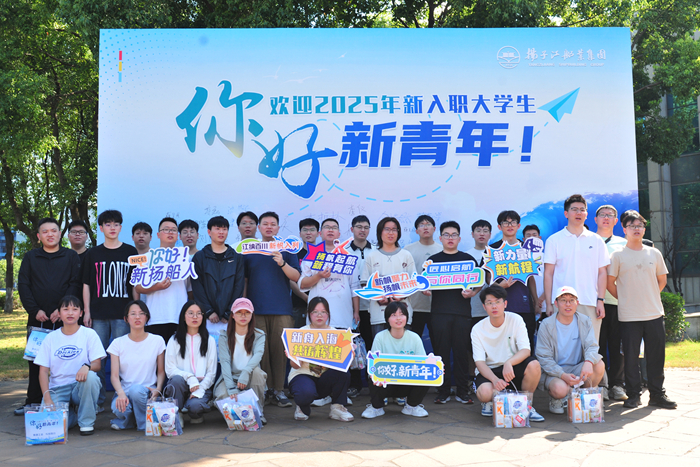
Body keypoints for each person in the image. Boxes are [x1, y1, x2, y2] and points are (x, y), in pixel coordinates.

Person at [608, 211, 676, 409]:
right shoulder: (617, 255)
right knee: (630, 358)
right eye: (632, 226)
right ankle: (633, 395)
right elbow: (610, 283)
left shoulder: (654, 253)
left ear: (644, 229)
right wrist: (625, 298)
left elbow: (661, 280)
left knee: (656, 356)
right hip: (629, 316)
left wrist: (649, 295)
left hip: (654, 313)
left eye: (639, 225)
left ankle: (657, 395)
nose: (636, 229)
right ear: (624, 229)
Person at [16, 217, 81, 415]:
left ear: (60, 234)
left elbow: (75, 283)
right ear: (39, 236)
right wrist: (34, 310)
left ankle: (71, 400)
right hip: (38, 319)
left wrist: (62, 310)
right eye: (45, 232)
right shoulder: (30, 257)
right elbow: (24, 285)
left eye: (54, 230)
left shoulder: (71, 256)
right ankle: (33, 401)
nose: (50, 234)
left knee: (68, 358)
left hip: (65, 318)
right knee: (36, 361)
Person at [82, 209, 139, 410]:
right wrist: (87, 311)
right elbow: (86, 284)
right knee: (97, 357)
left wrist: (136, 310)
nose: (112, 228)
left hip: (122, 314)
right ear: (101, 228)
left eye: (116, 224)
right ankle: (97, 400)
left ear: (121, 227)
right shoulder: (92, 253)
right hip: (98, 314)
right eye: (108, 224)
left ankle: (121, 398)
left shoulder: (130, 252)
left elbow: (135, 283)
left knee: (122, 358)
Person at [245, 211, 301, 407]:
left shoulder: (287, 249)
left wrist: (282, 263)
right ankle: (264, 390)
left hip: (282, 309)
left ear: (278, 228)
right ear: (259, 227)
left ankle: (279, 390)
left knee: (280, 351)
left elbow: (296, 277)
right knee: (260, 352)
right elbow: (244, 281)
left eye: (273, 224)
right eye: (265, 224)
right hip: (256, 309)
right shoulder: (250, 250)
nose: (269, 227)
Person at [471, 284, 544, 422]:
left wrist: (509, 363)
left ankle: (525, 405)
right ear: (484, 306)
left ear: (505, 304)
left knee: (534, 365)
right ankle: (490, 402)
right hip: (491, 371)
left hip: (512, 368)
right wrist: (495, 380)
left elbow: (526, 350)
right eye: (489, 303)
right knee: (485, 393)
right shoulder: (477, 329)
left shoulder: (516, 319)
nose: (494, 306)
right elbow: (479, 362)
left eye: (498, 302)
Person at [34, 295, 106, 435]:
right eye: (66, 309)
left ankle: (86, 423)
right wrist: (47, 398)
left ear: (81, 313)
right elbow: (43, 371)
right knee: (50, 427)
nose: (70, 313)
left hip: (80, 387)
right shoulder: (50, 338)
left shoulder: (89, 334)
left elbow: (97, 364)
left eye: (75, 309)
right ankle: (72, 416)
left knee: (91, 377)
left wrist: (87, 367)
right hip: (58, 388)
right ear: (59, 314)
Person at [425, 221, 479, 405]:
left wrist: (473, 293)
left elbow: (479, 281)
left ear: (459, 238)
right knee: (441, 353)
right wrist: (425, 290)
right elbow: (425, 284)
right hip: (439, 313)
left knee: (461, 353)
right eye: (446, 235)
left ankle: (463, 391)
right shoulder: (432, 261)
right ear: (440, 238)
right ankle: (443, 391)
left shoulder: (468, 259)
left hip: (462, 313)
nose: (450, 238)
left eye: (454, 235)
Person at [544, 194, 610, 342]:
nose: (578, 213)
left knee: (589, 347)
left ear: (586, 214)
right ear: (566, 213)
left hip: (589, 302)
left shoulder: (596, 240)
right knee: (563, 347)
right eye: (574, 209)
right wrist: (549, 304)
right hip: (562, 303)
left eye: (582, 209)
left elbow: (602, 273)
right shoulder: (554, 240)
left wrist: (600, 300)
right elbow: (548, 274)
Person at [535, 286, 605, 414]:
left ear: (577, 303)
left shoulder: (585, 321)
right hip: (554, 372)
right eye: (563, 300)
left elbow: (592, 346)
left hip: (577, 368)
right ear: (556, 303)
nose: (568, 304)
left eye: (572, 300)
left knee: (599, 365)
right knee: (560, 389)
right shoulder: (546, 325)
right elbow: (543, 357)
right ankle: (557, 398)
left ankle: (583, 396)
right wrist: (562, 375)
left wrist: (588, 362)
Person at [287, 297, 354, 422]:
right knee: (304, 393)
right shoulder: (302, 332)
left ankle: (337, 407)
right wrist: (293, 356)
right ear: (309, 313)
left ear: (328, 314)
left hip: (325, 377)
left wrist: (349, 355)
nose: (319, 315)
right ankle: (302, 406)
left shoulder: (335, 333)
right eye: (315, 312)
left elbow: (343, 364)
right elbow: (295, 366)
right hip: (303, 374)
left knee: (343, 373)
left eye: (323, 312)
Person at [361, 301, 429, 419]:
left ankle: (412, 406)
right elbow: (373, 364)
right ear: (387, 319)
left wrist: (435, 369)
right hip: (386, 383)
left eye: (402, 314)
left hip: (407, 382)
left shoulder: (414, 337)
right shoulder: (380, 337)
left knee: (427, 375)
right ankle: (376, 407)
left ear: (407, 317)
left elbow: (423, 364)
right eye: (393, 315)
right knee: (373, 376)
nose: (398, 318)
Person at [108, 300, 166, 431]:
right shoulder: (117, 343)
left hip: (147, 392)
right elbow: (114, 376)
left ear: (147, 317)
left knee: (136, 391)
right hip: (125, 392)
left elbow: (161, 371)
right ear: (126, 319)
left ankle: (142, 426)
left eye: (141, 313)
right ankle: (137, 420)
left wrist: (158, 389)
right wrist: (120, 394)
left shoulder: (157, 341)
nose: (137, 317)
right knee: (117, 407)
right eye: (133, 314)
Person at [136, 217, 191, 344]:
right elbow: (138, 287)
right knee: (156, 355)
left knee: (178, 354)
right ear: (158, 234)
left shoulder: (185, 258)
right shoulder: (147, 258)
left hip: (179, 317)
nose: (170, 232)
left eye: (173, 230)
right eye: (166, 229)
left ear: (178, 236)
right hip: (155, 317)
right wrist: (156, 287)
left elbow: (190, 289)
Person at [593, 205, 628, 401]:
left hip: (617, 301)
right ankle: (601, 384)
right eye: (602, 215)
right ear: (595, 219)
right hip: (593, 302)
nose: (606, 218)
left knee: (617, 345)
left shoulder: (624, 243)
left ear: (616, 221)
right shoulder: (587, 241)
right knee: (596, 346)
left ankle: (617, 384)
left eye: (610, 215)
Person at [214, 298, 267, 424]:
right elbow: (225, 362)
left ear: (252, 315)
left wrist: (245, 372)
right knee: (223, 396)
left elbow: (257, 356)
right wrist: (231, 388)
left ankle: (258, 412)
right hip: (230, 377)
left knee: (258, 373)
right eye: (239, 312)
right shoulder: (224, 336)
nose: (243, 316)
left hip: (250, 376)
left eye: (247, 312)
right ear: (232, 315)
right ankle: (240, 414)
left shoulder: (259, 335)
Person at [490, 211, 539, 347]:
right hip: (501, 307)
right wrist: (501, 286)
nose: (510, 225)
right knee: (504, 346)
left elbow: (531, 278)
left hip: (524, 305)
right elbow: (488, 280)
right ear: (499, 227)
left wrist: (536, 302)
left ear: (518, 226)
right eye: (506, 222)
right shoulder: (492, 249)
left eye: (513, 222)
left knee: (525, 344)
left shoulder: (527, 248)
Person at [361, 217, 416, 337]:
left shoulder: (406, 255)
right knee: (381, 347)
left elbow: (413, 283)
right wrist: (378, 297)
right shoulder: (372, 256)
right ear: (380, 232)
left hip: (402, 315)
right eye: (387, 229)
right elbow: (365, 283)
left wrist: (401, 296)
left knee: (403, 347)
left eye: (394, 229)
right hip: (379, 315)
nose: (391, 233)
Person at [165, 301, 217, 425]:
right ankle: (177, 413)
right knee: (176, 380)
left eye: (199, 313)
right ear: (183, 316)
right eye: (191, 313)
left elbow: (211, 372)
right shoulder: (174, 340)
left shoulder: (209, 340)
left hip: (200, 384)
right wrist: (189, 377)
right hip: (181, 384)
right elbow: (170, 369)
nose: (195, 317)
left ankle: (195, 413)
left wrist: (200, 389)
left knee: (195, 407)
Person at [191, 216, 245, 335]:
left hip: (229, 318)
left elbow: (239, 286)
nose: (221, 232)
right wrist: (209, 311)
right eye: (217, 229)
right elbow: (197, 287)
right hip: (206, 318)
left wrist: (228, 312)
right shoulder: (199, 257)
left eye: (224, 229)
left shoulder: (237, 258)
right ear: (209, 232)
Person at [405, 215, 442, 343]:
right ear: (416, 231)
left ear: (434, 228)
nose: (425, 227)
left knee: (439, 344)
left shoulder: (442, 249)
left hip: (437, 306)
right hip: (414, 306)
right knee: (411, 344)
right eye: (421, 225)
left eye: (428, 224)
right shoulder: (408, 250)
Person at [348, 215, 373, 398]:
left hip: (373, 308)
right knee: (353, 347)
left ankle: (374, 383)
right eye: (359, 227)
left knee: (372, 346)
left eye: (365, 227)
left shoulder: (377, 251)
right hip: (350, 309)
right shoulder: (344, 252)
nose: (362, 230)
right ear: (352, 229)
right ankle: (355, 385)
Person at [292, 218, 319, 327]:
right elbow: (291, 280)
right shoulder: (294, 254)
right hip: (299, 304)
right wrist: (306, 298)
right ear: (300, 233)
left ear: (318, 233)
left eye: (312, 230)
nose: (308, 233)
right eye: (305, 230)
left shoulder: (324, 254)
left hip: (321, 305)